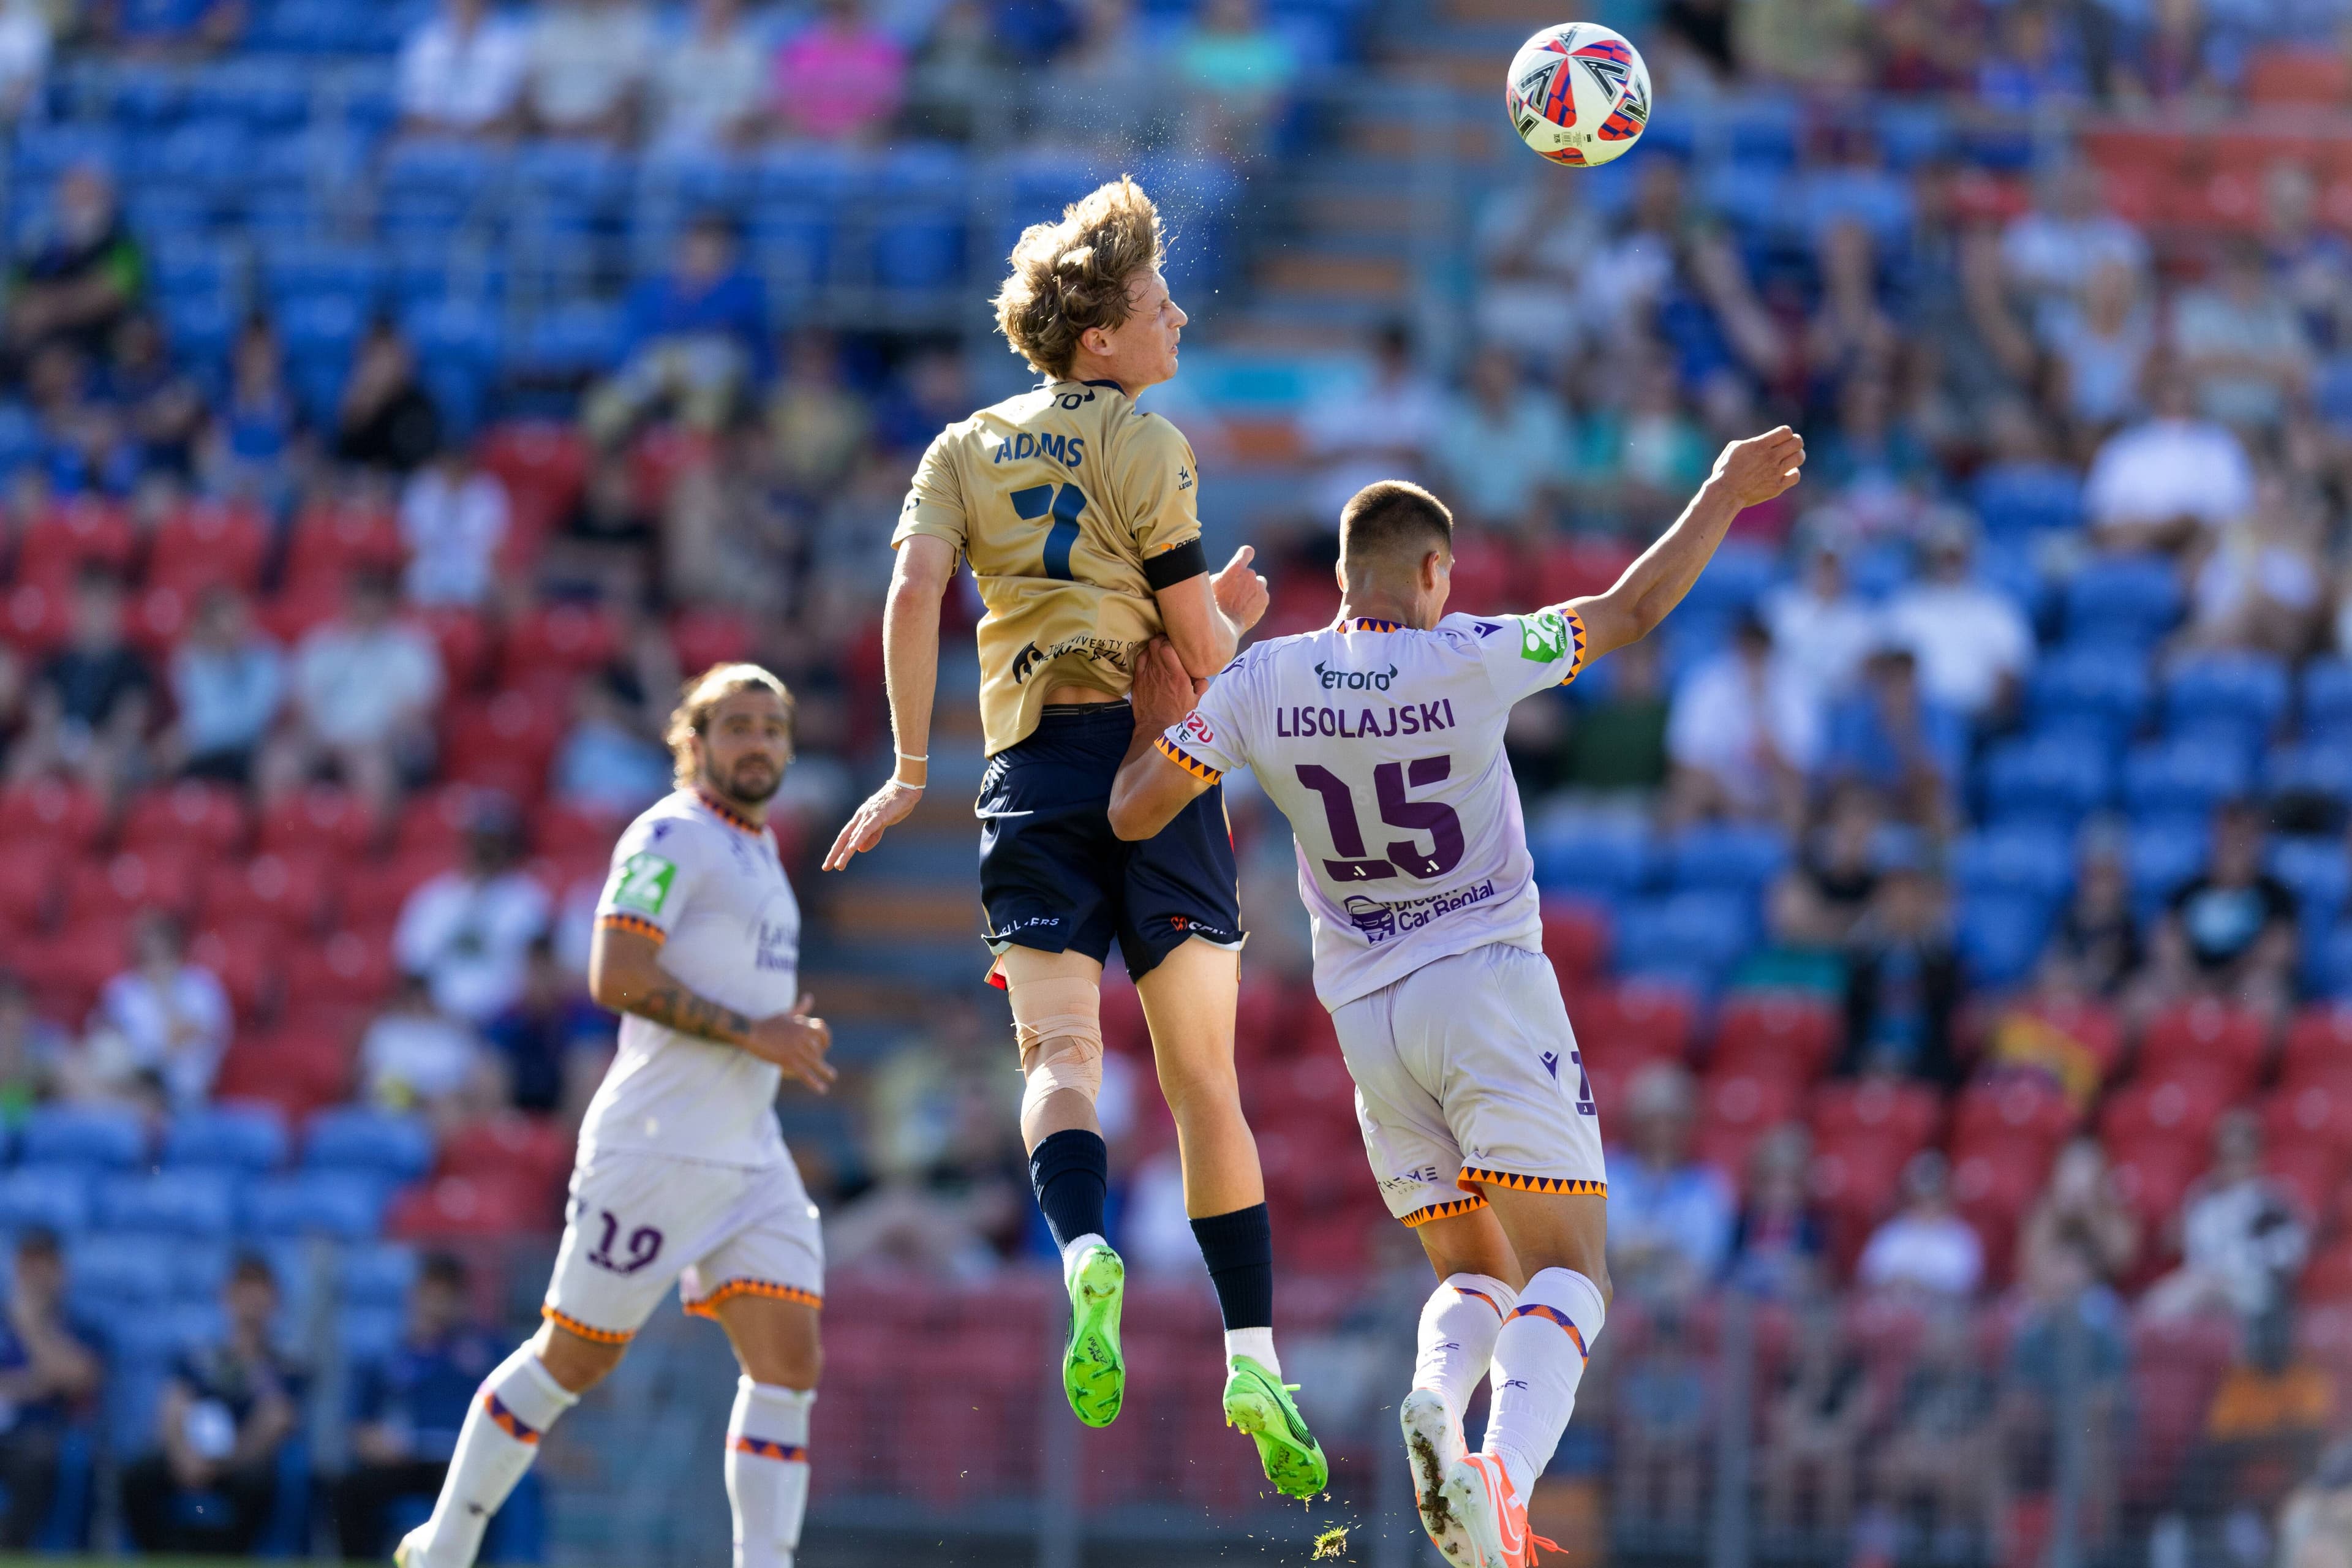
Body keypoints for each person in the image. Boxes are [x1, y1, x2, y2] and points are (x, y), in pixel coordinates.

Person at [1102, 428, 1806, 1562]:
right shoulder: (1472, 651)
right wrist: (1722, 492)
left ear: (1339, 579)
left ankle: (1438, 1396)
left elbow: (1134, 813)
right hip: (1483, 986)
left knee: (1477, 1269)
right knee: (1572, 1271)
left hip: (1366, 1022)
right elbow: (1626, 612)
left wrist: (1161, 706)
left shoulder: (1261, 679)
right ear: (1435, 574)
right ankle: (1499, 1474)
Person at [821, 176, 1327, 1496]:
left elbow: (913, 590)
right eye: (1158, 304)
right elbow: (1199, 653)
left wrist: (911, 762)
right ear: (1100, 337)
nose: (1178, 319)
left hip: (1029, 765)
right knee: (1203, 1085)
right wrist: (1232, 619)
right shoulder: (1150, 442)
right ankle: (1253, 1353)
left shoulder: (961, 446)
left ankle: (1081, 1248)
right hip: (1154, 763)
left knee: (1057, 1050)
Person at [397, 665, 834, 1568]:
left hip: (751, 1153)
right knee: (572, 1361)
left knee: (789, 1364)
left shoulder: (760, 848)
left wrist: (779, 1037)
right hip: (655, 1147)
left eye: (773, 728)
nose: (759, 743)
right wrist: (754, 1032)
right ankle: (445, 1544)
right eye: (739, 726)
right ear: (695, 741)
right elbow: (617, 976)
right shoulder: (671, 831)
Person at [122, 1255, 301, 1556]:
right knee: (138, 1477)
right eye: (243, 1291)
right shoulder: (200, 1358)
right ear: (226, 1296)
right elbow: (173, 1404)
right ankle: (159, 1556)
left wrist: (223, 1464)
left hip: (241, 1464)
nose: (251, 1302)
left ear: (275, 1301)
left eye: (259, 1292)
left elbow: (277, 1419)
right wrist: (183, 1456)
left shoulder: (283, 1367)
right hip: (189, 1459)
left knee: (256, 1486)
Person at [336, 1254, 505, 1560]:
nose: (436, 1306)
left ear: (460, 1302)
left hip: (460, 1463)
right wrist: (374, 1442)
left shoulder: (486, 1352)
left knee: (472, 1496)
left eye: (445, 1297)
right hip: (403, 1459)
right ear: (414, 1297)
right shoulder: (390, 1355)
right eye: (430, 1295)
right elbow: (359, 1425)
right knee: (347, 1490)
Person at [258, 569, 444, 820]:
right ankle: (275, 842)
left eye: (374, 601)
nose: (366, 608)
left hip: (378, 743)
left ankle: (374, 850)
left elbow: (413, 715)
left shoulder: (411, 650)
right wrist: (319, 738)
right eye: (360, 599)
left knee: (371, 770)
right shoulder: (320, 645)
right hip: (322, 739)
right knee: (277, 763)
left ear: (388, 604)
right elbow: (302, 705)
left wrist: (368, 741)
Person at [582, 216, 772, 445]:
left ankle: (690, 471)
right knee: (606, 407)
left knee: (705, 410)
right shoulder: (653, 291)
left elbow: (749, 346)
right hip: (655, 370)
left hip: (712, 376)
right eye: (698, 247)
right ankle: (608, 474)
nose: (704, 256)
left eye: (714, 250)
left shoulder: (743, 292)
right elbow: (628, 343)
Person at [393, 794, 553, 1027]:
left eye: (493, 842)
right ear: (466, 842)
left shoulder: (527, 897)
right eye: (480, 842)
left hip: (509, 1022)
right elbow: (413, 972)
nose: (485, 851)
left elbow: (540, 975)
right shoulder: (433, 899)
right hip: (440, 1020)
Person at [7, 565, 154, 799]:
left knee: (102, 766)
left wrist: (94, 749)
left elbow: (129, 723)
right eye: (88, 602)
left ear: (116, 606)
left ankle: (98, 835)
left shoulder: (134, 666)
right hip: (60, 740)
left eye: (101, 603)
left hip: (107, 746)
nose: (94, 612)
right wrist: (58, 743)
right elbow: (42, 712)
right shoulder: (55, 659)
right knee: (24, 759)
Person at [1877, 513, 2034, 724]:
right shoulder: (1905, 607)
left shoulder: (1996, 608)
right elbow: (1885, 668)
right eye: (1944, 554)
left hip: (1978, 720)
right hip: (1918, 720)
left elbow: (2011, 670)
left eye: (1956, 555)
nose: (1950, 562)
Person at [2149, 799, 2300, 1012]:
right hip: (2188, 984)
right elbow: (2165, 944)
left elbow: (2280, 951)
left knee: (2266, 993)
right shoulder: (2188, 890)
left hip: (2244, 986)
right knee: (2145, 995)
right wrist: (2194, 981)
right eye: (2227, 838)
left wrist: (2222, 981)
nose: (2234, 847)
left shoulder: (2276, 895)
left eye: (2242, 839)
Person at [1605, 1062, 1738, 1303]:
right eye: (1653, 1121)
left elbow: (1705, 1257)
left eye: (1672, 1122)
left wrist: (1644, 1249)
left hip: (1683, 1302)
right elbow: (1609, 1244)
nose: (1662, 1132)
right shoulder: (1608, 1172)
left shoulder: (1708, 1185)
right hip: (1615, 1295)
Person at [0, 1229, 99, 1548]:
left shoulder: (82, 1328)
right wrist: (40, 1382)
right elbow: (53, 1378)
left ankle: (10, 1549)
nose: (36, 1278)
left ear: (61, 1273)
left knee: (36, 1459)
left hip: (43, 1435)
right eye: (28, 1268)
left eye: (44, 1267)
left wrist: (30, 1327)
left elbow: (79, 1379)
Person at [88, 910, 232, 1112]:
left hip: (185, 1097)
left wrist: (165, 995)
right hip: (129, 1091)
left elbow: (178, 1043)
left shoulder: (202, 989)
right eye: (147, 955)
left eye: (163, 954)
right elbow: (102, 1045)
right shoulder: (122, 990)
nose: (155, 963)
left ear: (177, 951)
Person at [4, 165, 143, 364]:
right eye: (72, 200)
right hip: (49, 344)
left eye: (86, 199)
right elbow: (16, 297)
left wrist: (48, 307)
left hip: (105, 338)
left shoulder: (125, 243)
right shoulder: (38, 245)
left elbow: (112, 293)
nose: (78, 209)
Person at [160, 586, 282, 784]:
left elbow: (253, 722)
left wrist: (191, 737)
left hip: (253, 749)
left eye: (234, 620)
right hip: (202, 751)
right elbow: (197, 711)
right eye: (219, 624)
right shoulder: (188, 658)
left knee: (275, 765)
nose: (229, 630)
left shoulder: (266, 658)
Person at [1856, 1150, 1983, 1298]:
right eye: (1921, 1199)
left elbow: (1966, 1286)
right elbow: (1868, 1278)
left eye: (1933, 1198)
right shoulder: (1891, 1233)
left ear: (1947, 1198)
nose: (1927, 1206)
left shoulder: (1962, 1239)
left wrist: (1921, 1286)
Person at [522, 0, 652, 143]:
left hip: (604, 134)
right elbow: (531, 87)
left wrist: (590, 127)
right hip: (550, 131)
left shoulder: (629, 26)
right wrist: (555, 127)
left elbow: (631, 91)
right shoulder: (551, 24)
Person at [398, 446, 510, 608]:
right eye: (449, 464)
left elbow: (496, 544)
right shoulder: (421, 487)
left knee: (483, 585)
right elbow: (410, 542)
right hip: (430, 563)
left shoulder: (489, 490)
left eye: (458, 465)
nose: (454, 470)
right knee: (417, 581)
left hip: (473, 565)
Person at [397, 0, 527, 137]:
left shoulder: (511, 42)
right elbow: (417, 106)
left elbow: (512, 103)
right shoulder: (425, 42)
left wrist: (476, 130)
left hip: (491, 137)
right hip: (436, 137)